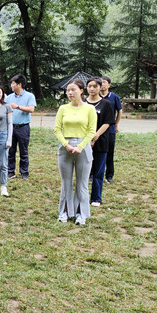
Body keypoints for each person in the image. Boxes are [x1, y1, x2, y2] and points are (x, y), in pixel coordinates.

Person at [54, 80, 97, 226]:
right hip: (65, 147)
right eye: (67, 90)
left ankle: (81, 214)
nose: (70, 93)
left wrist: (80, 146)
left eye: (73, 90)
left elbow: (91, 131)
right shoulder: (63, 108)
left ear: (81, 91)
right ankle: (64, 212)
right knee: (66, 183)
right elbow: (57, 129)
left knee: (82, 184)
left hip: (83, 148)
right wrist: (66, 145)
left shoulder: (89, 109)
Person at [85, 78, 114, 207]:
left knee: (98, 171)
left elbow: (107, 123)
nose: (92, 89)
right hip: (83, 142)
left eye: (94, 86)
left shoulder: (106, 104)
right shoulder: (82, 104)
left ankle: (96, 198)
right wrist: (87, 139)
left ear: (99, 87)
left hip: (100, 141)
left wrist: (95, 136)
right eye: (89, 86)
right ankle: (82, 196)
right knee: (84, 172)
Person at [7, 74, 36, 180]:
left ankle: (24, 172)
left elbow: (31, 109)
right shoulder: (9, 97)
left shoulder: (29, 96)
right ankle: (10, 171)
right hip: (11, 127)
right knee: (10, 151)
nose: (11, 85)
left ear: (19, 84)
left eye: (13, 83)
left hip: (23, 127)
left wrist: (17, 107)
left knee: (23, 151)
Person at [100, 76, 122, 184]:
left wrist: (116, 124)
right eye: (100, 82)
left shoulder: (114, 97)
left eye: (104, 82)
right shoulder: (96, 97)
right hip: (96, 130)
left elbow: (119, 111)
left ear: (109, 85)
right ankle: (92, 174)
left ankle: (109, 176)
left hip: (110, 130)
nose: (102, 84)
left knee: (109, 153)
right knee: (95, 153)